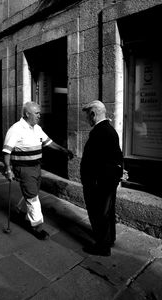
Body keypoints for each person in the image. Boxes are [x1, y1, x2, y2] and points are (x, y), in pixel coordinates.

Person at [2, 101, 73, 240]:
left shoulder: (37, 128)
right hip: (24, 169)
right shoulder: (16, 129)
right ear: (28, 114)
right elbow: (6, 152)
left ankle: (21, 210)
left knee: (32, 192)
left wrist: (63, 150)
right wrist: (8, 170)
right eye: (37, 113)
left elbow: (49, 143)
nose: (40, 116)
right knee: (33, 198)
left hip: (36, 167)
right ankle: (37, 228)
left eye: (39, 113)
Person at [80, 100, 123, 256]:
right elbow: (117, 157)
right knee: (107, 211)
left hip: (98, 182)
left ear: (93, 114)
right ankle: (109, 238)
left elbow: (95, 161)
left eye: (87, 116)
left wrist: (91, 181)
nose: (87, 120)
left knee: (98, 213)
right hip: (108, 181)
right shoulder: (109, 130)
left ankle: (102, 246)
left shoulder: (99, 131)